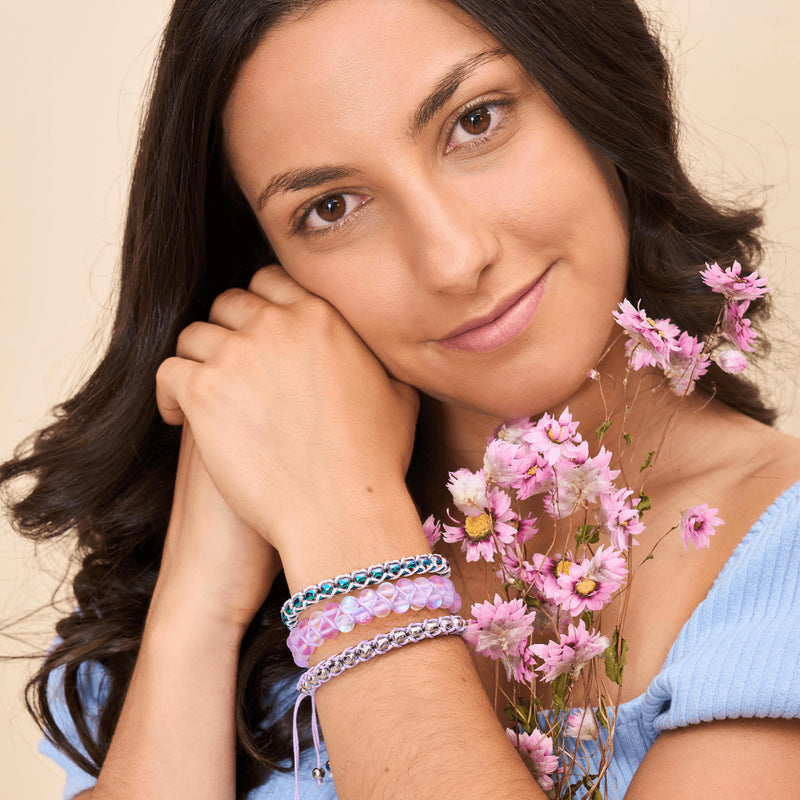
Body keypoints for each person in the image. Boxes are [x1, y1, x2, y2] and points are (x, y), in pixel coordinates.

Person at [2, 0, 800, 797]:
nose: (452, 259)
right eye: (331, 208)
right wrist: (200, 599)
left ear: (595, 90)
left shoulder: (779, 560)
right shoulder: (241, 593)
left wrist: (341, 522)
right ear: (269, 265)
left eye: (477, 121)